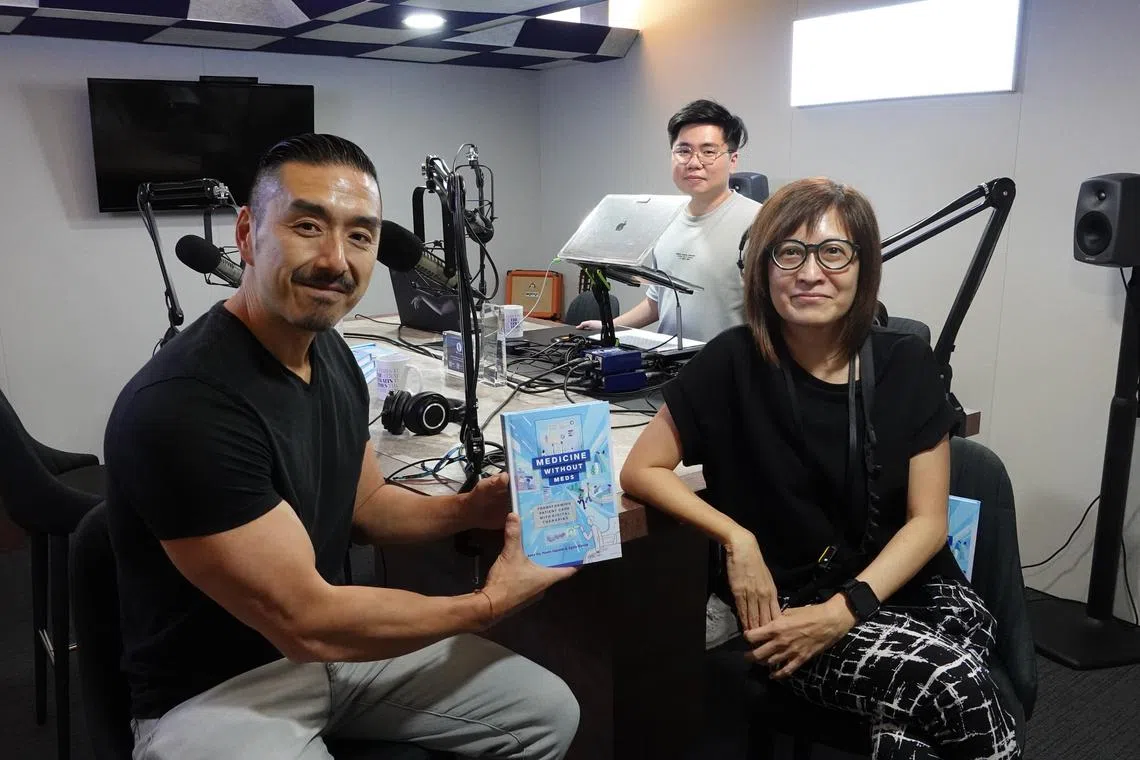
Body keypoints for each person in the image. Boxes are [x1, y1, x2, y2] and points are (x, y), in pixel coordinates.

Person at [104, 134, 580, 760]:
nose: (336, 259)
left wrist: (472, 509)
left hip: (333, 654)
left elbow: (368, 504)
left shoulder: (329, 352)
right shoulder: (184, 405)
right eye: (308, 225)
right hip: (217, 690)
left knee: (548, 715)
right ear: (247, 234)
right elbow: (308, 621)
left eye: (360, 235)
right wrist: (489, 603)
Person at [619, 177, 1020, 759]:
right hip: (791, 609)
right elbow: (643, 470)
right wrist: (736, 536)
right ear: (763, 268)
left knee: (932, 696)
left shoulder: (906, 363)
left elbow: (928, 523)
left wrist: (847, 609)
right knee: (952, 686)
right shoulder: (730, 363)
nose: (810, 273)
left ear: (862, 267)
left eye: (833, 252)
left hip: (910, 584)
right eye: (790, 252)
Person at [578, 99, 761, 342]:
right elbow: (658, 300)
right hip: (670, 366)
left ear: (733, 160)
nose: (694, 163)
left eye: (708, 152)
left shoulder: (760, 222)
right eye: (683, 151)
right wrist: (610, 326)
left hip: (730, 371)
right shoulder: (665, 219)